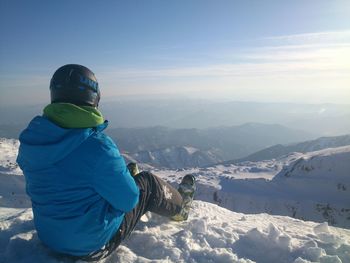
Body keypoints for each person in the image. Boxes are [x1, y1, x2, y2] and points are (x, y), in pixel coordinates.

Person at [16, 64, 195, 261]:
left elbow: (65, 178)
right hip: (90, 245)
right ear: (94, 97)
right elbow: (129, 201)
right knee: (147, 183)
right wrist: (127, 183)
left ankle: (121, 178)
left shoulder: (31, 141)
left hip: (49, 237)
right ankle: (181, 209)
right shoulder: (98, 147)